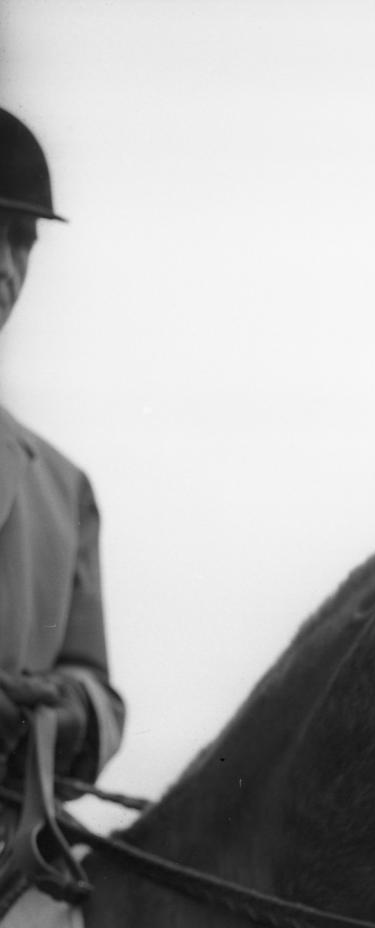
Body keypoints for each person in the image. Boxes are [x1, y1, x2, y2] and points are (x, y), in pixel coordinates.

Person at [0, 107, 124, 824]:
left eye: (23, 240)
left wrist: (69, 710)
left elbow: (95, 684)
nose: (5, 264)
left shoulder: (63, 488)